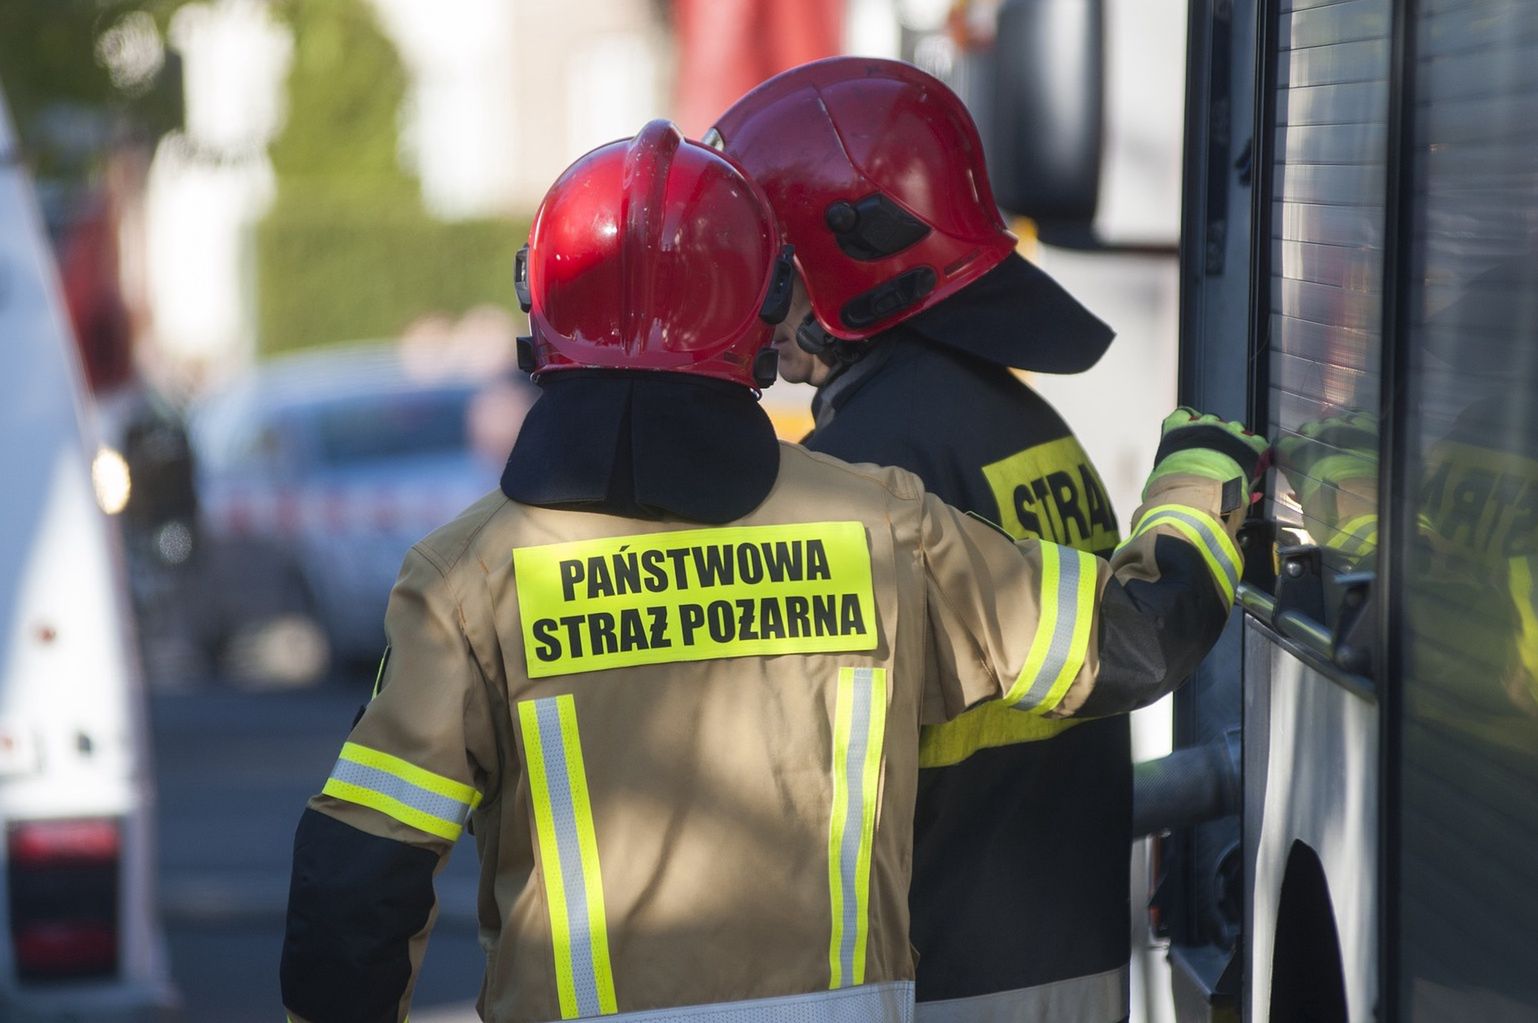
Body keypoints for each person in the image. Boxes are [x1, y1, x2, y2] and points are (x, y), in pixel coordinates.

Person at [278, 120, 1265, 1023]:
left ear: (541, 308)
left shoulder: (463, 581)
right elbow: (1135, 639)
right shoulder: (883, 528)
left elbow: (356, 887)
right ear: (761, 311)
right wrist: (1197, 485)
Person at [711, 57, 1140, 1019]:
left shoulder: (860, 473)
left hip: (936, 977)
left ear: (844, 264)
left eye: (773, 271)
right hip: (1072, 963)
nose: (758, 306)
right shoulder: (1031, 428)